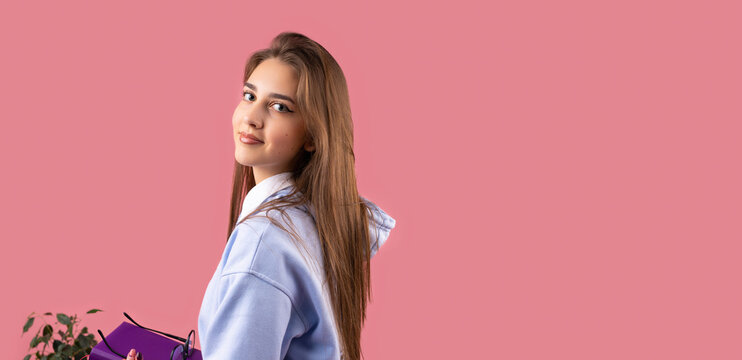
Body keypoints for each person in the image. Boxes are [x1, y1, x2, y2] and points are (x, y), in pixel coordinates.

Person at [123, 31, 396, 360]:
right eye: (249, 96)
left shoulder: (263, 244)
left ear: (312, 135)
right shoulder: (317, 219)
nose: (251, 118)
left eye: (280, 107)